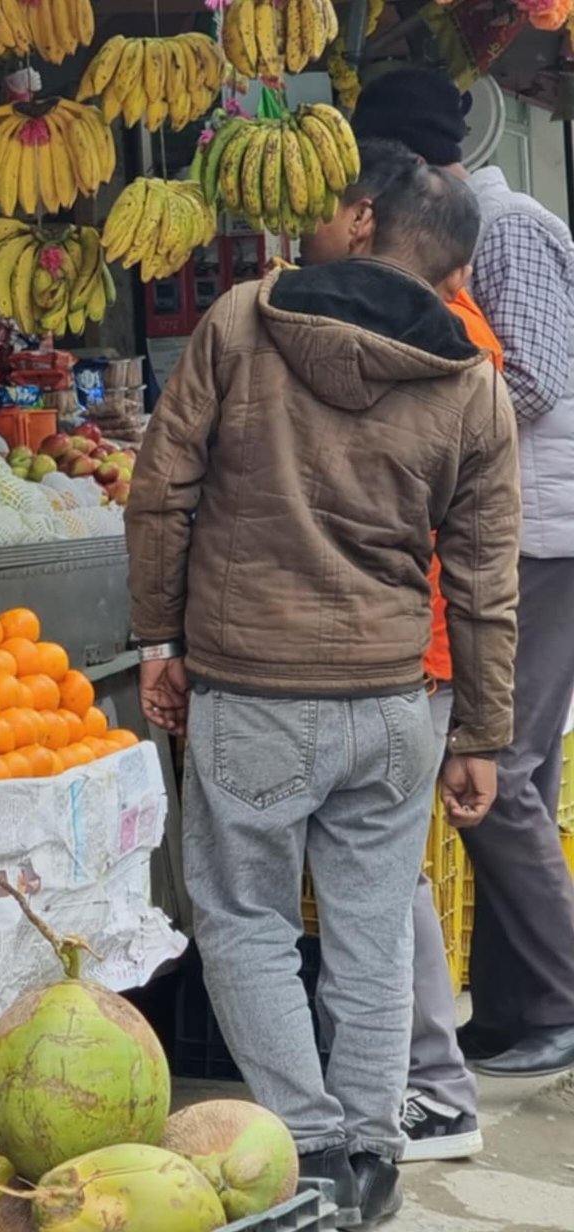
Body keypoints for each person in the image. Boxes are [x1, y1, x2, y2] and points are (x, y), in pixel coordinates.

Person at [127, 158, 520, 1228]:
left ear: (358, 223)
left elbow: (161, 490)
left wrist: (158, 636)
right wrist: (481, 729)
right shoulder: (470, 381)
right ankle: (371, 1152)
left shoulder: (240, 323)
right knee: (371, 928)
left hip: (249, 686)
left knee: (246, 918)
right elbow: (486, 579)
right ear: (457, 267)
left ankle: (303, 1144)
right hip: (395, 699)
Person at [351, 67, 574, 1081]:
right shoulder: (456, 225)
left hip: (537, 530)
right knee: (498, 773)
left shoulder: (503, 221)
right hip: (506, 525)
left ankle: (562, 995)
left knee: (505, 774)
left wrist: (414, 417)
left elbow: (531, 374)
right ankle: (520, 1002)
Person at [299, 138, 499, 1163]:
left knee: (378, 883)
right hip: (407, 646)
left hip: (397, 646)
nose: (315, 225)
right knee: (381, 877)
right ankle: (414, 1082)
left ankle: (428, 1085)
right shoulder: (449, 334)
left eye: (328, 209)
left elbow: (472, 544)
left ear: (365, 219)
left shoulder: (426, 344)